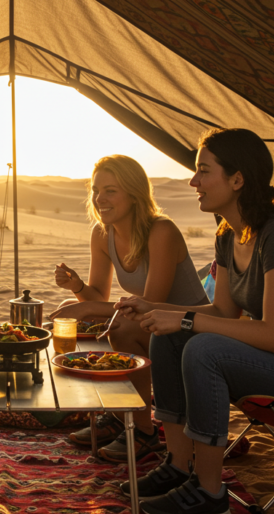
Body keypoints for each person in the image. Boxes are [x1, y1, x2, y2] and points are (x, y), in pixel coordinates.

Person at [115, 128, 274, 514]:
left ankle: (210, 493)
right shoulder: (228, 233)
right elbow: (224, 310)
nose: (194, 181)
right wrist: (153, 307)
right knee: (170, 336)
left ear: (237, 179)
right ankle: (178, 464)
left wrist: (187, 319)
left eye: (204, 171)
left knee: (202, 347)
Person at [49, 155, 207, 463]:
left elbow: (152, 306)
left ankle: (143, 431)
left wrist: (91, 307)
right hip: (156, 324)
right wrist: (78, 289)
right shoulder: (102, 233)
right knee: (72, 308)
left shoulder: (161, 231)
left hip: (193, 331)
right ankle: (122, 416)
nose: (99, 199)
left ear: (134, 194)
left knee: (120, 326)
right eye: (95, 190)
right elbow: (97, 295)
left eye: (110, 190)